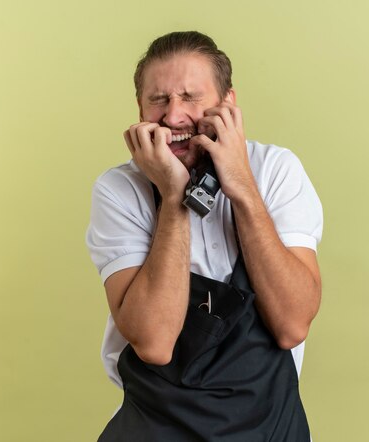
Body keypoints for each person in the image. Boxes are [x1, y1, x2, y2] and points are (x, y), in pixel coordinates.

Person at [86, 31, 323, 441]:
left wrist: (242, 186)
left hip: (270, 430)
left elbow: (291, 324)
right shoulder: (119, 190)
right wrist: (173, 195)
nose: (174, 116)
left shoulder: (275, 171)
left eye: (191, 97)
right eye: (157, 99)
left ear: (227, 104)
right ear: (140, 109)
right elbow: (155, 343)